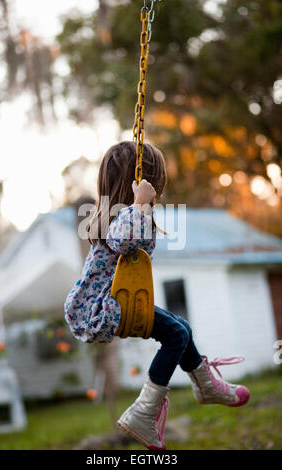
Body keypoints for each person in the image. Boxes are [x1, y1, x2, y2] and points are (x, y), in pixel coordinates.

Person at [64, 141, 250, 450]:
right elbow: (122, 241)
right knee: (176, 333)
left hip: (111, 304)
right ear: (139, 183)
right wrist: (139, 205)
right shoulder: (121, 216)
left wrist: (140, 208)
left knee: (180, 328)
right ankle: (143, 412)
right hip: (102, 308)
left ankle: (206, 386)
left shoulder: (121, 214)